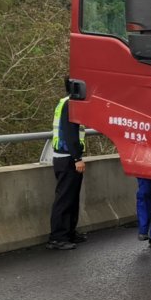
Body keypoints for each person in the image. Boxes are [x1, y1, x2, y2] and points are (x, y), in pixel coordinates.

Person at [47, 87, 86, 250]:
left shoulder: (66, 102)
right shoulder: (71, 104)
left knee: (71, 198)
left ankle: (69, 232)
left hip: (65, 157)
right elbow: (70, 133)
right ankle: (58, 237)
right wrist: (77, 158)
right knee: (64, 199)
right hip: (67, 158)